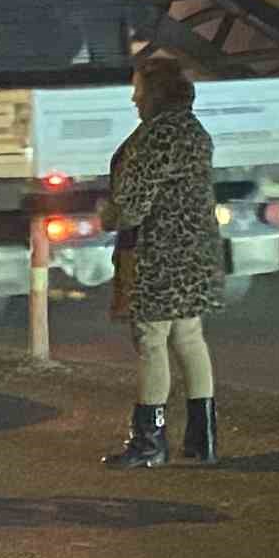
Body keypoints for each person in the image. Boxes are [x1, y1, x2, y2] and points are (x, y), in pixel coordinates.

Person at [100, 57, 223, 468]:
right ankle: (202, 439)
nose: (134, 98)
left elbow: (133, 205)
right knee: (189, 337)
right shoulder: (194, 131)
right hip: (196, 253)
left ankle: (149, 445)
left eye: (138, 89)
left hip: (159, 255)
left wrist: (108, 215)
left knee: (151, 341)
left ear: (155, 92)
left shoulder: (155, 137)